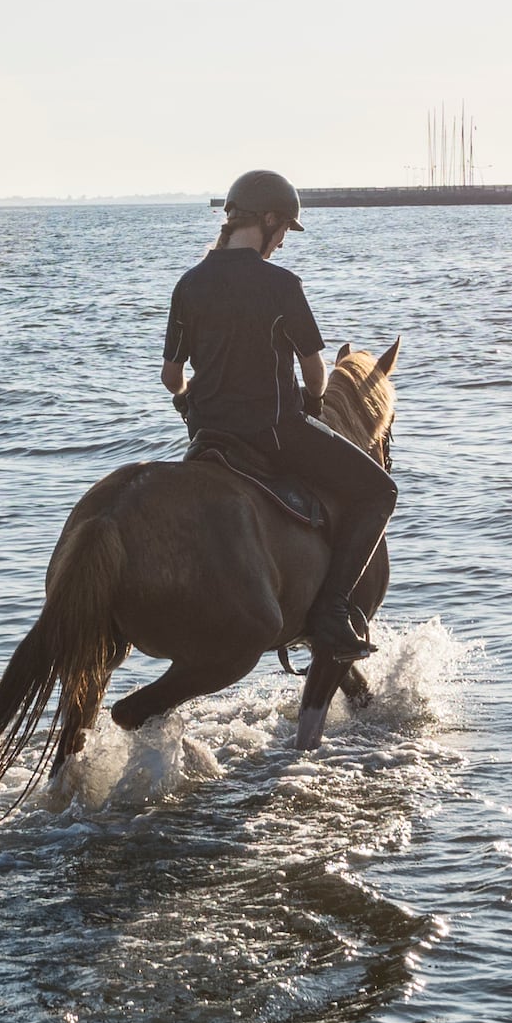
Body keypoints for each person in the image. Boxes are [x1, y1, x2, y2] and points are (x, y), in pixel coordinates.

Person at [160, 170, 397, 667]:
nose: (284, 241)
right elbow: (314, 376)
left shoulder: (189, 283)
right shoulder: (280, 285)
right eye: (285, 229)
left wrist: (188, 404)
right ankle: (333, 610)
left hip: (206, 436)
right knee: (380, 492)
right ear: (268, 221)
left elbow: (171, 376)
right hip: (274, 433)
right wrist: (312, 407)